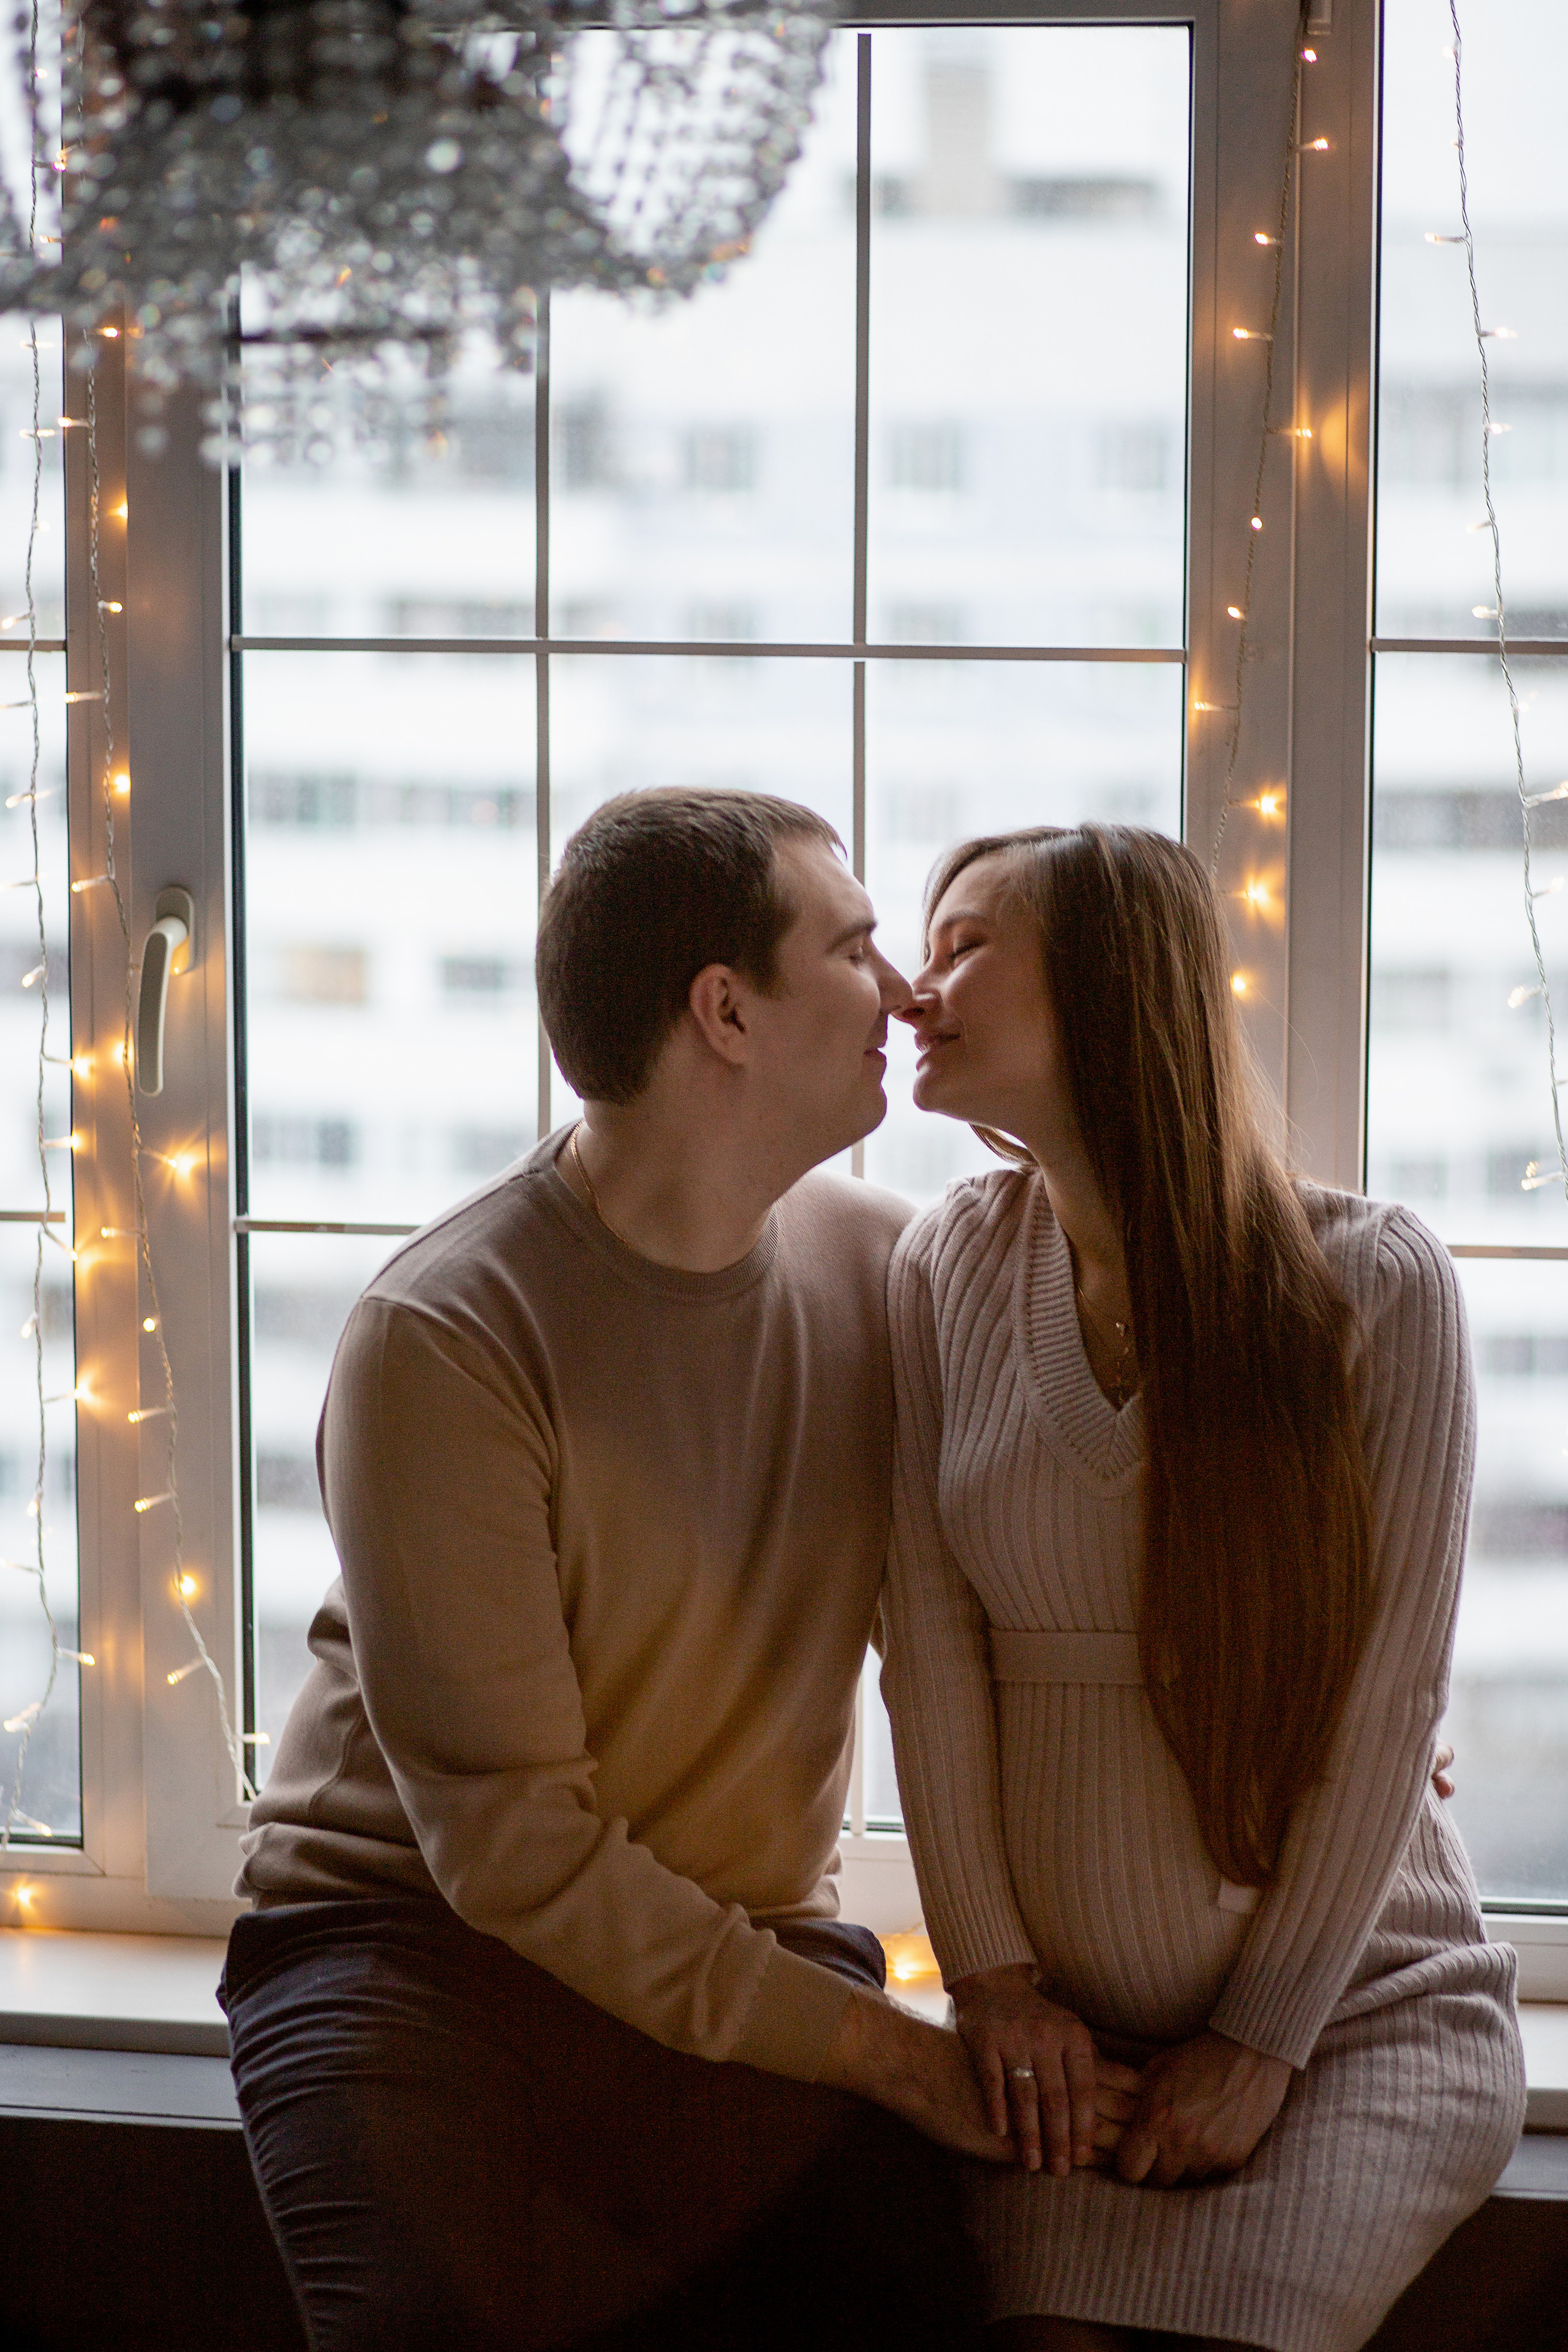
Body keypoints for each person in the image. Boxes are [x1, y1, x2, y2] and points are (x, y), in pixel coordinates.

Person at [221, 786, 1079, 2352]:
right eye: (856, 945)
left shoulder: (892, 1270)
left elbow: (1064, 1541)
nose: (899, 991)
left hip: (736, 1941)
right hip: (409, 1951)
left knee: (920, 2314)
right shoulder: (446, 1337)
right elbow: (518, 1859)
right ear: (724, 1012)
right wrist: (895, 2053)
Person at [880, 823, 1526, 2352]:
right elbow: (923, 1652)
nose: (915, 990)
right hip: (1074, 2052)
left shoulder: (1371, 1284)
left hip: (1354, 2018)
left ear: (1111, 984)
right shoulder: (939, 1273)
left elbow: (1389, 1706)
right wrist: (991, 1990)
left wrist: (1257, 2041)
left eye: (967, 943)